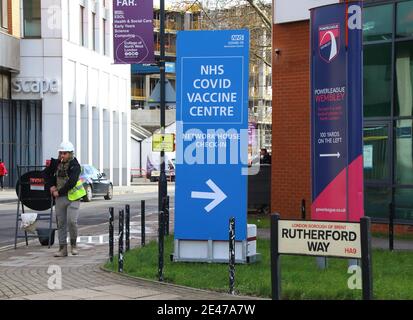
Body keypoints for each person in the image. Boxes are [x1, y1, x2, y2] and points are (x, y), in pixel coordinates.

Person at [42, 141, 86, 257]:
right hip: (60, 198)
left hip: (73, 197)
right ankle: (62, 249)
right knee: (61, 223)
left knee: (72, 221)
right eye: (61, 153)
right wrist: (51, 186)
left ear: (70, 153)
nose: (62, 155)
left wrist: (58, 191)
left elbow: (71, 182)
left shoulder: (75, 165)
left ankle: (74, 245)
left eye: (65, 153)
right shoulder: (55, 163)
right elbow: (45, 174)